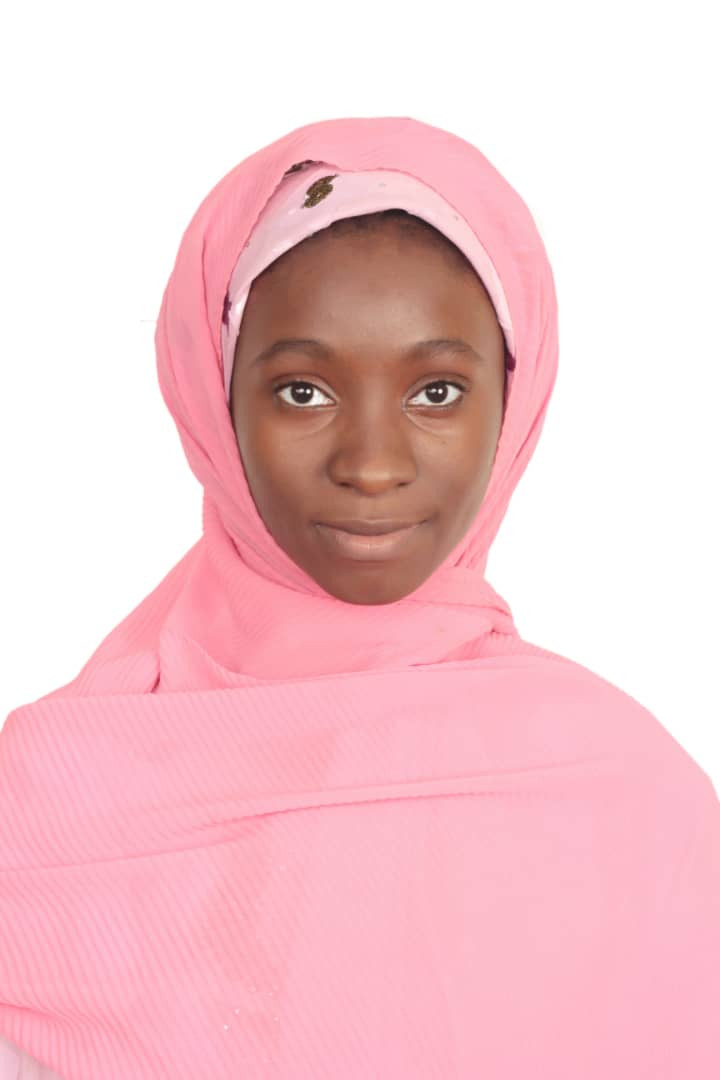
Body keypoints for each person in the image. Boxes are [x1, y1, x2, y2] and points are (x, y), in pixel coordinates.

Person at [0, 115, 717, 1078]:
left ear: (514, 403)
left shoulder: (636, 803)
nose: (372, 465)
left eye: (437, 392)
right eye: (303, 391)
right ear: (212, 399)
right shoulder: (47, 803)